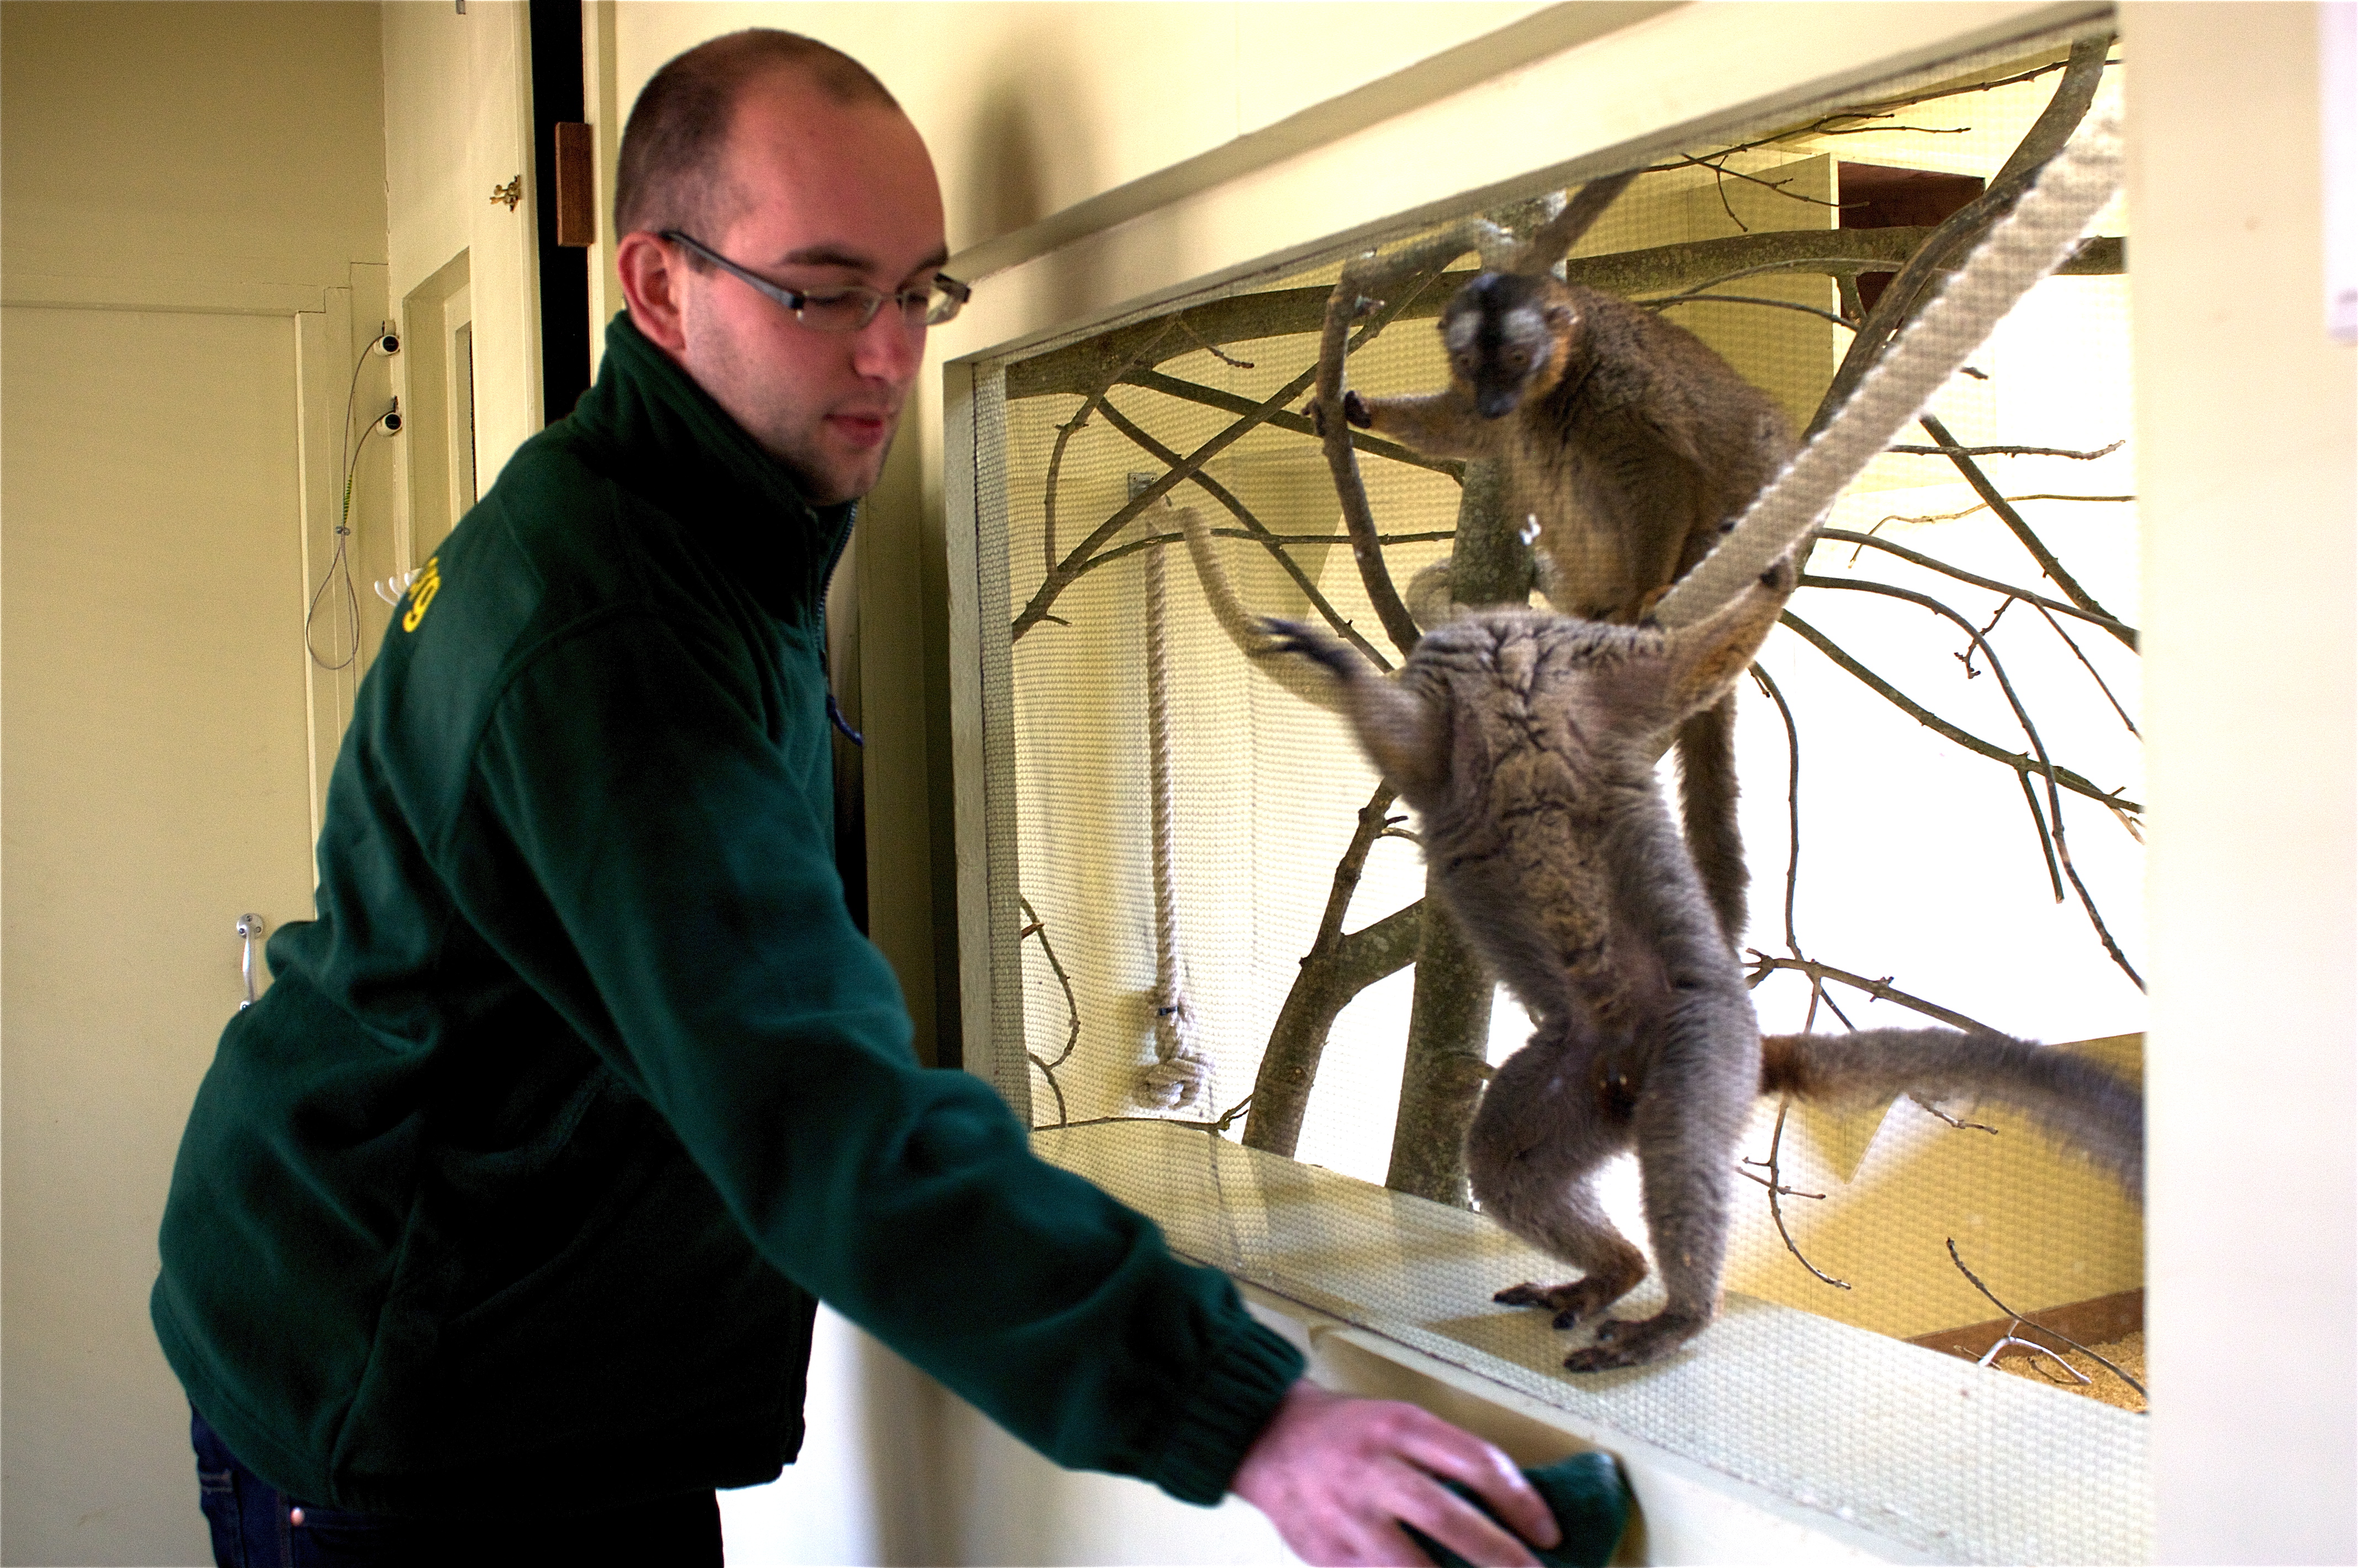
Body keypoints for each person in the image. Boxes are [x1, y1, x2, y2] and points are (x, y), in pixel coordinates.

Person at [153, 29, 1560, 1567]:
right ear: (659, 284)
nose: (889, 354)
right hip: (414, 1393)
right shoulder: (612, 619)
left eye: (919, 292)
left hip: (518, 1349)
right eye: (825, 293)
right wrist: (1246, 1419)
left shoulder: (711, 527)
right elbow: (807, 1099)